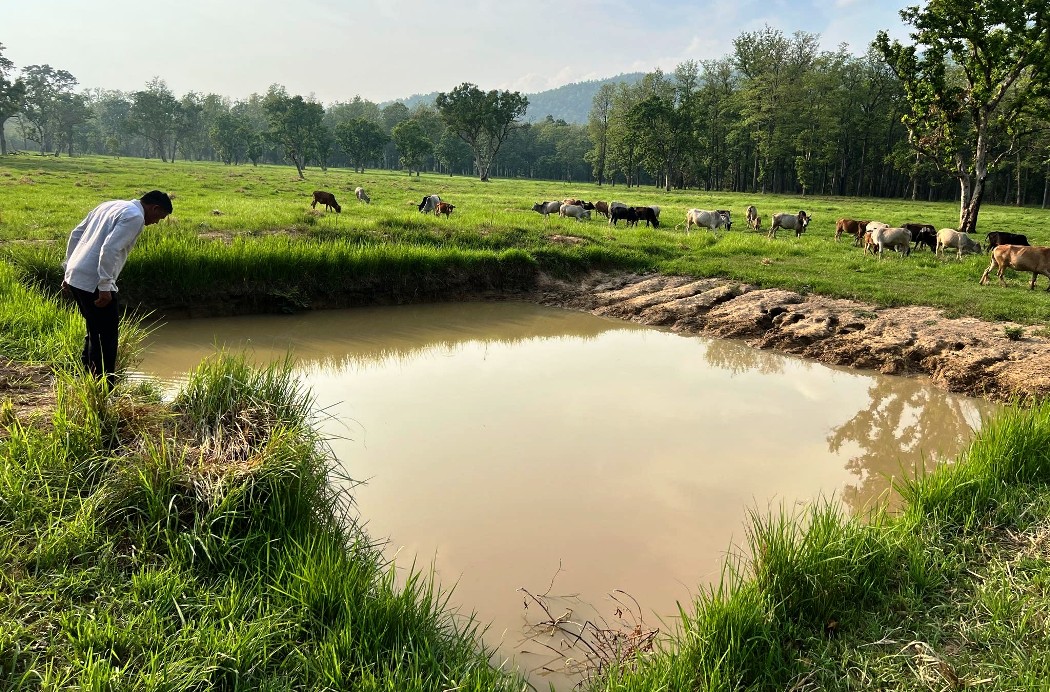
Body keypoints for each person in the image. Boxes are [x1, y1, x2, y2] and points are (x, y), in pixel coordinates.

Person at [62, 190, 172, 387]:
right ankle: (104, 388)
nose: (156, 222)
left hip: (77, 276)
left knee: (94, 330)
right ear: (154, 208)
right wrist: (105, 286)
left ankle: (88, 380)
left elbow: (76, 233)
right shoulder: (135, 216)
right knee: (106, 337)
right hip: (94, 281)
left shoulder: (109, 205)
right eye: (159, 217)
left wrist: (68, 269)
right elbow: (111, 248)